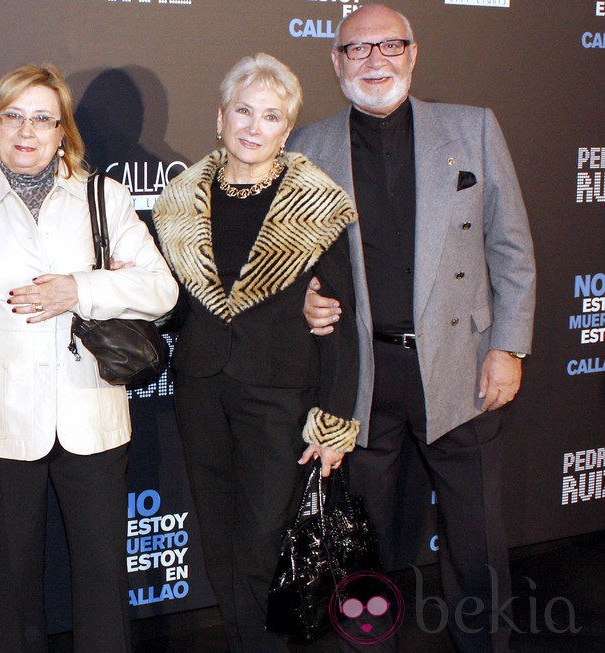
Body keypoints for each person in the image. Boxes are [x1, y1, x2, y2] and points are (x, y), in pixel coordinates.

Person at [289, 5, 536, 652]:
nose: (374, 60)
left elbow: (509, 248)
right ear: (335, 61)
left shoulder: (472, 129)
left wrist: (507, 346)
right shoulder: (306, 147)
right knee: (369, 546)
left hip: (461, 365)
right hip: (365, 376)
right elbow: (289, 264)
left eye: (388, 46)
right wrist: (307, 300)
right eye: (357, 49)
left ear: (413, 52)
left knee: (474, 540)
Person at [0, 64, 177, 652]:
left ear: (62, 132)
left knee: (101, 585)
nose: (27, 131)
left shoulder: (105, 199)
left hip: (93, 420)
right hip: (0, 429)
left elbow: (161, 291)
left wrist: (80, 288)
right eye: (13, 115)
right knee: (10, 594)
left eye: (43, 118)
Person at [151, 53, 360, 651]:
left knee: (265, 546)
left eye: (270, 116)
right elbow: (175, 305)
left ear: (286, 130)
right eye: (243, 110)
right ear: (220, 118)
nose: (253, 126)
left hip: (282, 398)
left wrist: (334, 421)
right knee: (218, 540)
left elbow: (340, 321)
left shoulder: (318, 207)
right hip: (201, 391)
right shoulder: (178, 202)